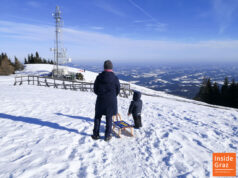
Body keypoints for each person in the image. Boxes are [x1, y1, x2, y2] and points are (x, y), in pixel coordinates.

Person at [92, 60, 120, 141]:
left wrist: (100, 94)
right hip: (111, 101)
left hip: (101, 100)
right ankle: (107, 135)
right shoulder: (115, 78)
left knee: (97, 117)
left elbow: (95, 89)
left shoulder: (99, 77)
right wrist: (112, 96)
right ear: (111, 67)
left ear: (104, 67)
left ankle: (95, 134)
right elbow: (118, 90)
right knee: (109, 117)